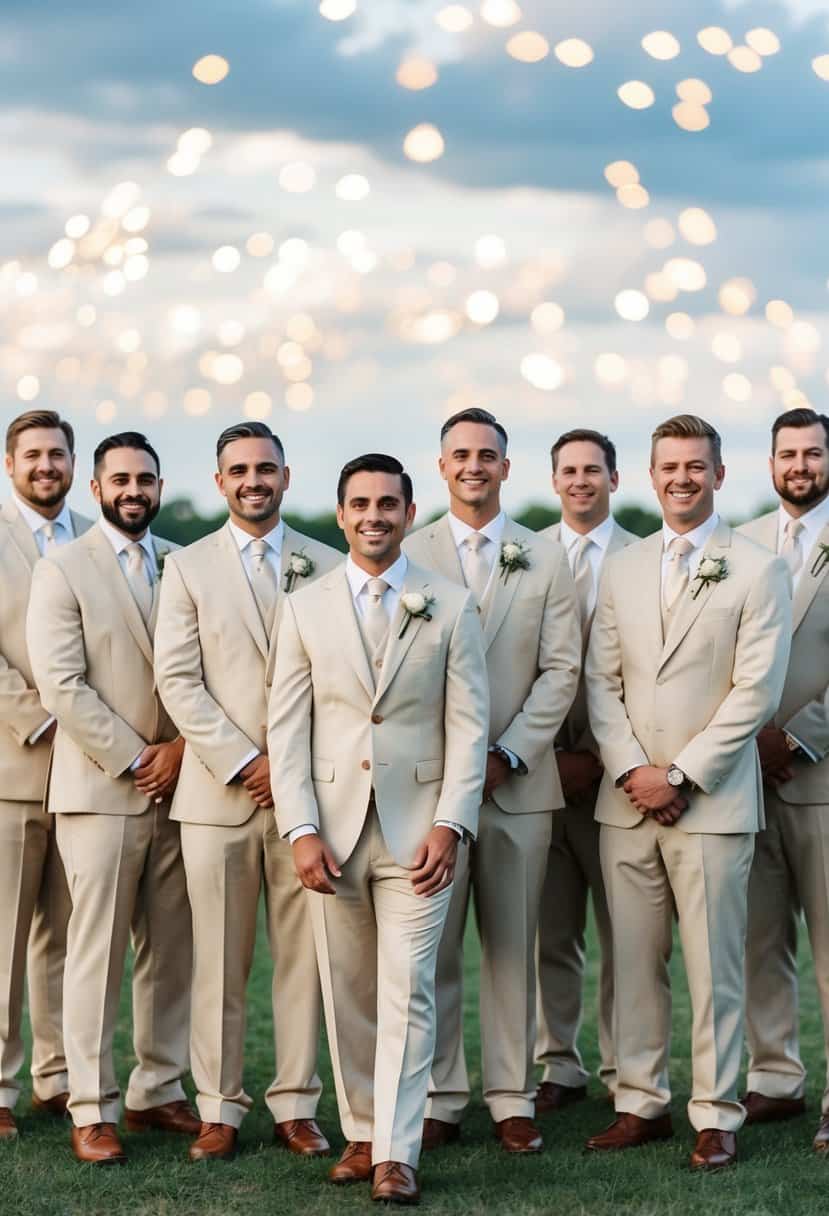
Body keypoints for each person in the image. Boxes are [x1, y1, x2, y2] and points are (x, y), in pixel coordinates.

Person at [268, 453, 489, 1203]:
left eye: (387, 504)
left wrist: (451, 823)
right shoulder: (305, 607)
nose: (373, 516)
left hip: (419, 835)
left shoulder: (449, 605)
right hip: (331, 834)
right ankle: (362, 1132)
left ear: (408, 512)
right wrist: (300, 828)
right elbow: (287, 730)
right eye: (359, 504)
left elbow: (469, 727)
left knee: (410, 990)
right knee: (349, 993)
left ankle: (398, 1153)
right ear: (340, 515)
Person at [584, 413, 791, 1171]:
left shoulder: (758, 568)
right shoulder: (624, 567)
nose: (681, 478)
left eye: (695, 466)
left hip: (713, 801)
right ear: (651, 475)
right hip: (625, 804)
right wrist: (632, 772)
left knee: (714, 966)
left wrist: (678, 775)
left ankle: (715, 1111)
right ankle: (639, 1103)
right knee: (632, 964)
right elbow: (600, 682)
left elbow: (756, 690)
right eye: (669, 466)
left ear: (719, 475)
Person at [155, 421, 340, 1162]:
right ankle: (219, 1108)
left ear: (285, 477)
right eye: (239, 470)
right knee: (218, 961)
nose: (253, 481)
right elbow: (178, 680)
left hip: (308, 802)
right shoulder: (186, 568)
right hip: (216, 797)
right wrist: (242, 761)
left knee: (304, 959)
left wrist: (287, 767)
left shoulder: (328, 564)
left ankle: (297, 1105)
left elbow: (341, 683)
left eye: (265, 468)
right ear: (220, 481)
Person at [404, 409, 580, 1154]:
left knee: (513, 948)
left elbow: (561, 670)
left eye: (487, 455)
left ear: (506, 467)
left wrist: (507, 755)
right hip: (426, 793)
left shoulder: (546, 557)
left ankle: (512, 1097)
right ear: (441, 466)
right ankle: (440, 1097)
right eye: (460, 455)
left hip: (517, 788)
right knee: (432, 950)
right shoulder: (408, 552)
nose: (473, 465)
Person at [26, 432, 196, 1164]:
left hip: (182, 789)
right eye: (120, 479)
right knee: (93, 951)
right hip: (101, 790)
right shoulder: (62, 568)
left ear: (159, 487)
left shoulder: (181, 563)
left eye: (145, 479)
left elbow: (202, 670)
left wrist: (180, 751)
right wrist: (135, 757)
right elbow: (62, 684)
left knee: (171, 949)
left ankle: (157, 1087)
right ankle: (91, 1107)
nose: (134, 490)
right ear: (96, 489)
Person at [535, 429, 636, 1114]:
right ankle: (558, 1064)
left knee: (627, 936)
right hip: (538, 776)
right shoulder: (527, 556)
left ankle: (626, 1069)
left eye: (592, 470)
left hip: (619, 779)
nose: (580, 481)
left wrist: (602, 757)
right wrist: (543, 758)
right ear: (553, 481)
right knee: (552, 933)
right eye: (568, 471)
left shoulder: (646, 556)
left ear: (613, 479)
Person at [739, 407, 829, 1153]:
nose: (799, 466)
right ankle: (773, 1079)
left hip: (822, 778)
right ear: (770, 463)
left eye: (813, 453)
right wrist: (743, 743)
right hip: (747, 781)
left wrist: (797, 739)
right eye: (788, 454)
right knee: (758, 940)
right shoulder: (740, 545)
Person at [0, 410, 91, 1140]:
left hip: (88, 776)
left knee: (64, 934)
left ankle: (56, 1077)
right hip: (14, 764)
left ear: (72, 464)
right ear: (10, 465)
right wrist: (45, 719)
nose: (45, 466)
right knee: (4, 937)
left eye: (57, 454)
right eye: (32, 455)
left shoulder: (97, 537)